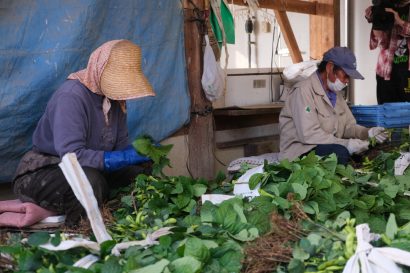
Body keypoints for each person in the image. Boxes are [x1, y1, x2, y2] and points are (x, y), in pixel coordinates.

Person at [12, 39, 156, 227]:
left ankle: (130, 220)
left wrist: (138, 153)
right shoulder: (71, 96)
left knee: (141, 169)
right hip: (43, 173)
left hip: (89, 167)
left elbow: (120, 146)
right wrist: (116, 158)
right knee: (90, 181)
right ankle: (79, 230)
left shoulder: (116, 101)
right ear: (99, 68)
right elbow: (72, 156)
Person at [279, 47, 388, 165]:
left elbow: (348, 127)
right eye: (345, 75)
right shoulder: (303, 91)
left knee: (374, 149)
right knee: (340, 153)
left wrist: (368, 133)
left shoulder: (336, 94)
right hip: (300, 151)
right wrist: (346, 144)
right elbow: (309, 135)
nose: (347, 81)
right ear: (330, 67)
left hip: (327, 146)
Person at [365, 1, 410, 103]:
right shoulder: (386, 5)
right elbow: (381, 43)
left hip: (407, 73)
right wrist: (376, 21)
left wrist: (399, 21)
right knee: (385, 112)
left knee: (407, 114)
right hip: (385, 71)